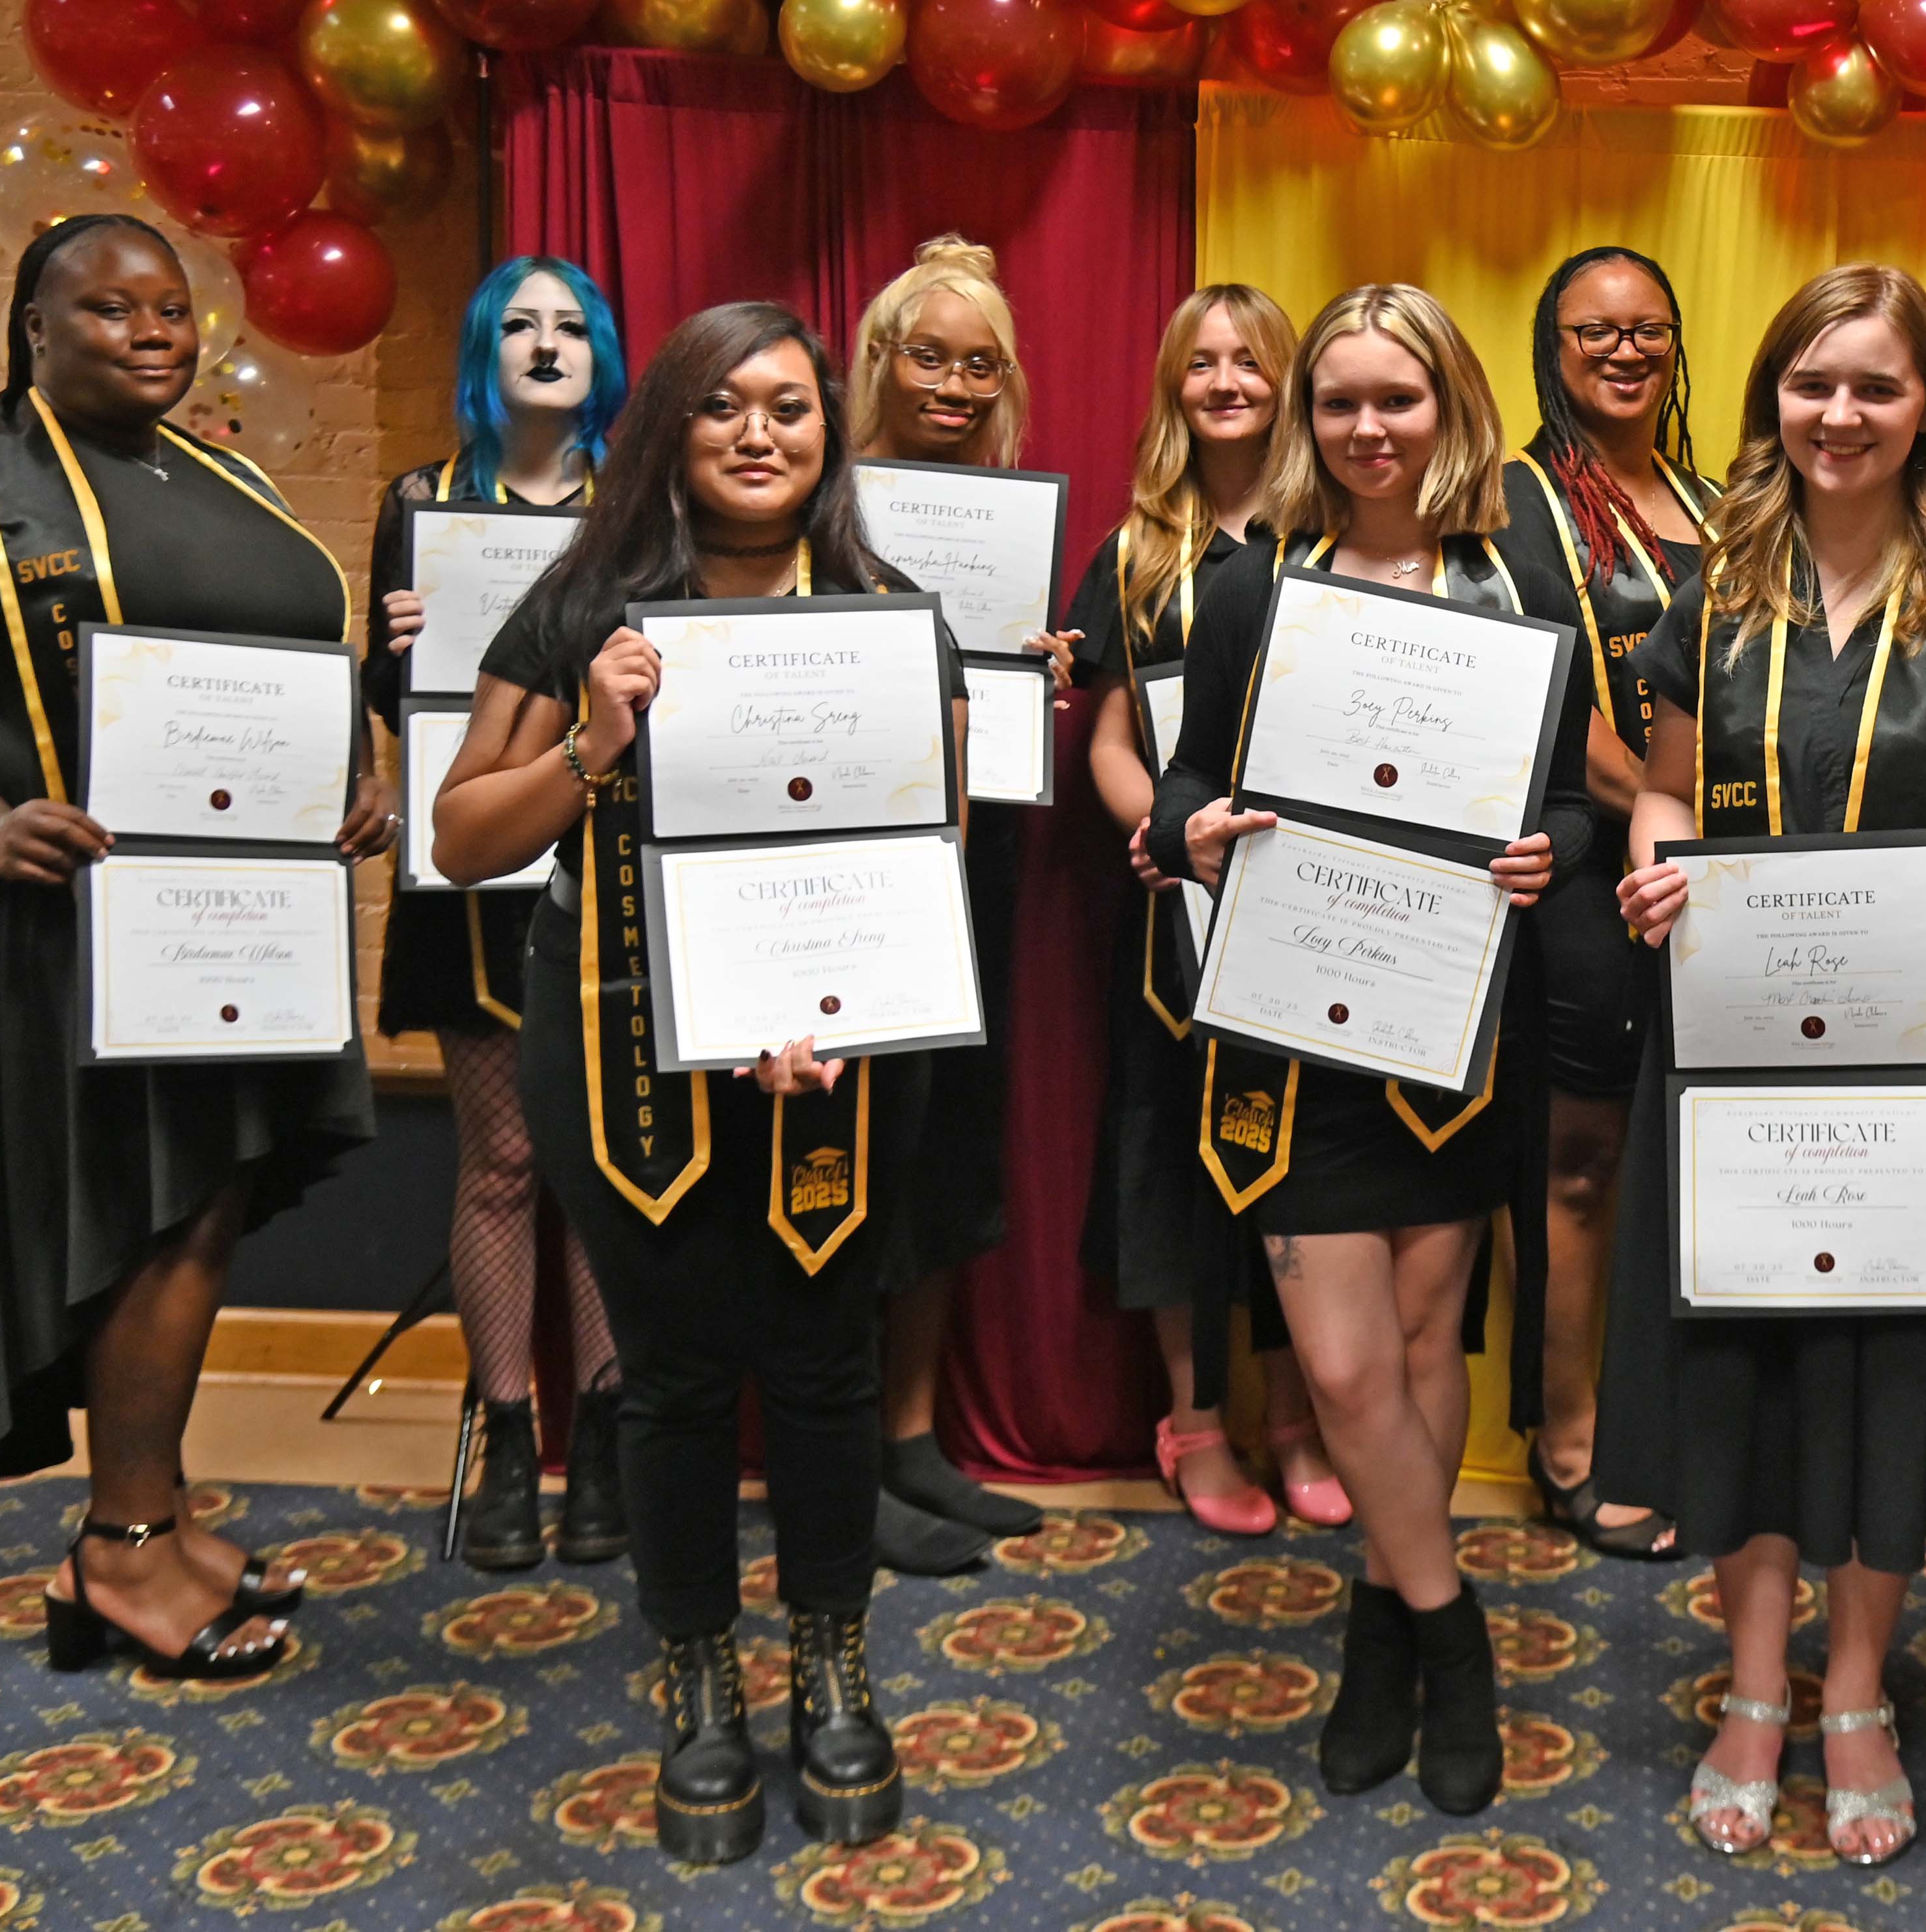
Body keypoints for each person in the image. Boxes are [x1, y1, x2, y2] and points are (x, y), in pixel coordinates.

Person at [0, 215, 388, 1675]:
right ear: (34, 326)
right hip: (61, 927)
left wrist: (353, 765)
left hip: (226, 924)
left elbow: (283, 671)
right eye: (109, 307)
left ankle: (155, 1516)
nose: (151, 331)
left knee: (194, 1213)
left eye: (173, 308)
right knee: (137, 1214)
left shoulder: (220, 471)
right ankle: (121, 1553)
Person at [431, 302, 959, 1866]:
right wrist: (596, 739)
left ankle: (829, 1659)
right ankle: (697, 1679)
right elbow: (464, 837)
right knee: (664, 1376)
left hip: (833, 1057)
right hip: (617, 1047)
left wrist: (848, 1003)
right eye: (723, 405)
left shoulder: (886, 611)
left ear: (826, 433)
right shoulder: (583, 603)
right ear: (669, 424)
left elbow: (923, 851)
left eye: (789, 408)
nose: (756, 434)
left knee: (820, 1364)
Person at [1599, 263, 1926, 1867]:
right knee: (1741, 1372)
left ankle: (1860, 1692)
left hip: (1910, 1061)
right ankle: (1753, 1689)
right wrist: (1652, 862)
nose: (1839, 415)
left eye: (1875, 386)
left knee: (1887, 1379)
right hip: (1728, 1055)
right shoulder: (1714, 587)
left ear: (1925, 409)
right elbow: (1662, 792)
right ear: (1772, 401)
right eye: (1813, 383)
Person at [1153, 284, 1597, 1816]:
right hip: (1293, 1041)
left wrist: (1554, 846)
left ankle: (1375, 1628)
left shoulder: (1511, 577)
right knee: (1340, 1368)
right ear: (1302, 415)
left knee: (1416, 1360)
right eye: (1335, 400)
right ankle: (1446, 1626)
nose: (1362, 428)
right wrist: (1188, 828)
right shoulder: (1248, 584)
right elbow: (1179, 784)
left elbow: (1581, 798)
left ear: (1445, 405)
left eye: (1393, 399)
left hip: (1454, 1035)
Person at [1061, 283, 1349, 1536]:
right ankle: (1195, 1420)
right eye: (1201, 362)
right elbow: (1114, 733)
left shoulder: (1331, 534)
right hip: (1178, 903)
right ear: (1174, 387)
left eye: (1250, 360)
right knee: (1177, 1155)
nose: (1226, 380)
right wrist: (1155, 829)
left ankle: (1294, 1416)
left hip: (1309, 895)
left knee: (1298, 1148)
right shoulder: (1133, 553)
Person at [367, 256, 630, 1575]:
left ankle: (607, 1436)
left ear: (605, 356)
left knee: (592, 1164)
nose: (545, 343)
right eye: (519, 323)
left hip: (594, 874)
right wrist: (395, 650)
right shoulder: (421, 503)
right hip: (465, 879)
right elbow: (388, 711)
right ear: (484, 350)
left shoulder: (634, 513)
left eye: (570, 325)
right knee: (506, 1162)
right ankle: (511, 1431)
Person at [1491, 244, 1718, 1563]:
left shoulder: (1718, 491)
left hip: (1707, 866)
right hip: (1589, 871)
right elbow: (1544, 688)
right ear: (1551, 345)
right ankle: (1567, 1428)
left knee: (1679, 1155)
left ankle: (1665, 1420)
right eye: (1596, 330)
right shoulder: (1516, 500)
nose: (1625, 351)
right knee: (1576, 1157)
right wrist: (1650, 802)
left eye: (1649, 328)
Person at [842, 237, 1046, 1568]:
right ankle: (843, 1449)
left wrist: (1038, 667)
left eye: (982, 363)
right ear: (879, 364)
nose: (957, 385)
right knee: (849, 1160)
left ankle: (913, 1436)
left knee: (938, 1149)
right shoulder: (814, 506)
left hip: (971, 867)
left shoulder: (1004, 521)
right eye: (932, 355)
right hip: (845, 875)